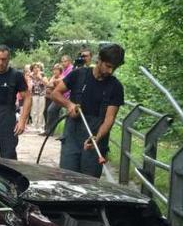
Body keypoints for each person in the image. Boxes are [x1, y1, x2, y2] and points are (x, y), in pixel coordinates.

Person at [50, 43, 126, 178]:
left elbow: (109, 119)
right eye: (108, 66)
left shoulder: (116, 87)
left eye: (114, 68)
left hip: (95, 139)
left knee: (89, 184)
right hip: (72, 137)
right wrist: (69, 105)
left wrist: (97, 138)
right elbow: (55, 94)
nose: (110, 71)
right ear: (99, 60)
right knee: (67, 178)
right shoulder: (78, 75)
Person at [42, 63, 64, 135]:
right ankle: (48, 130)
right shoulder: (53, 77)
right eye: (54, 70)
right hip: (50, 97)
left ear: (60, 71)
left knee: (50, 111)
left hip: (58, 98)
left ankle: (50, 131)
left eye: (57, 70)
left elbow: (50, 85)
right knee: (47, 112)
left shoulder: (62, 77)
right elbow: (49, 85)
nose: (55, 71)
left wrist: (49, 84)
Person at [29, 62, 48, 133]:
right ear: (32, 69)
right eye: (34, 68)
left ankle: (41, 126)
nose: (36, 69)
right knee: (34, 111)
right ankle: (34, 125)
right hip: (34, 94)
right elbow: (29, 86)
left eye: (37, 67)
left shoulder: (42, 75)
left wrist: (40, 78)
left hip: (42, 94)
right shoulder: (31, 76)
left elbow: (47, 83)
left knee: (41, 111)